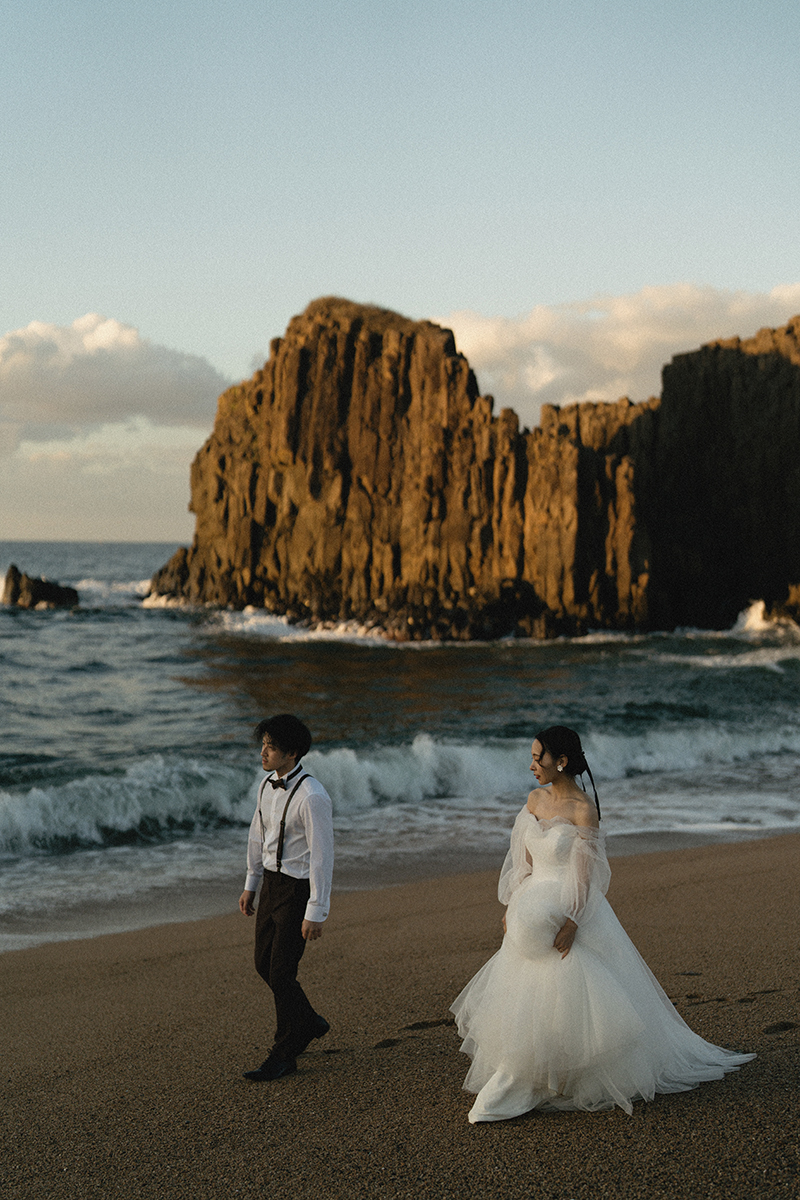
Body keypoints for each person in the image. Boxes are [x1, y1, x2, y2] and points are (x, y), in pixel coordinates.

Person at [450, 726, 755, 1122]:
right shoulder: (533, 800)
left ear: (560, 761)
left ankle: (549, 1077)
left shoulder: (582, 810)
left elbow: (584, 876)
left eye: (537, 758)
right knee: (525, 994)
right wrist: (512, 907)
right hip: (530, 910)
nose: (530, 766)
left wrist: (572, 921)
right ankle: (533, 1070)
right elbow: (521, 865)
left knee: (571, 989)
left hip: (565, 910)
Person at [239, 714, 334, 1082]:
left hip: (298, 890)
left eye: (272, 746)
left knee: (282, 972)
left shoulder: (312, 796)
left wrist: (317, 910)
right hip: (272, 886)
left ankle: (284, 1051)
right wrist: (251, 883)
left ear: (292, 753)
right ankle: (308, 1021)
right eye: (263, 743)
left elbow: (323, 856)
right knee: (264, 964)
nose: (263, 751)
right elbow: (256, 834)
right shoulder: (266, 785)